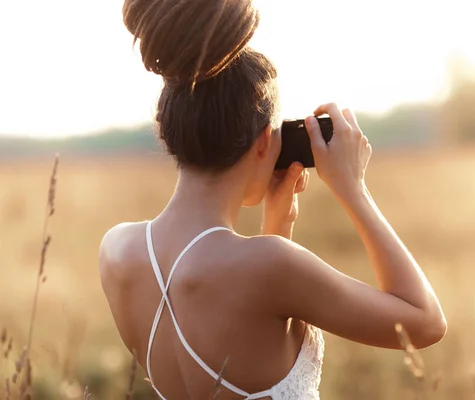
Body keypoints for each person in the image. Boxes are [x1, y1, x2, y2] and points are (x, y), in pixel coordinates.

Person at [99, 0, 447, 399]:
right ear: (265, 141)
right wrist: (354, 189)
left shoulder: (117, 250)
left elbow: (251, 328)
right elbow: (425, 322)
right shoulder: (270, 266)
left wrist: (278, 227)